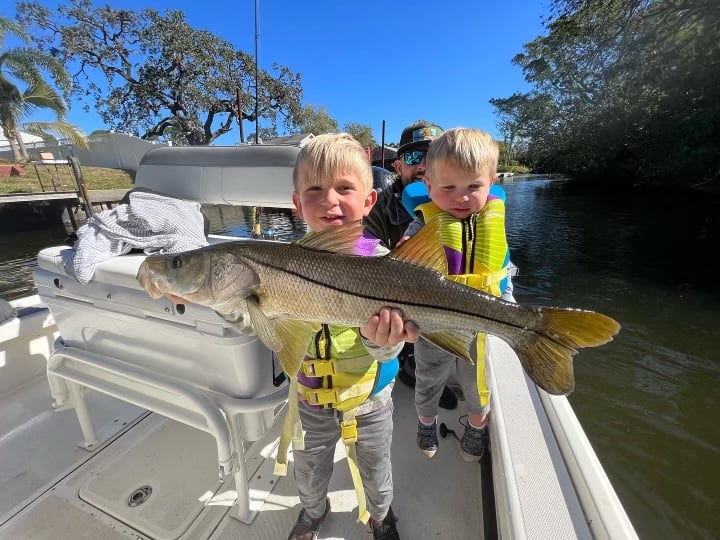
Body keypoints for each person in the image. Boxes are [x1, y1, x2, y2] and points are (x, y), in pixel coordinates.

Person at [284, 133, 418, 540]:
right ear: (296, 203)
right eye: (315, 189)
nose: (329, 200)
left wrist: (384, 339)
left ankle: (380, 515)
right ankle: (313, 510)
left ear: (369, 200)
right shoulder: (279, 264)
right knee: (308, 469)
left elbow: (391, 347)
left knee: (377, 470)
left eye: (344, 188)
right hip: (310, 398)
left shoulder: (384, 265)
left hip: (369, 398)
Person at [402, 127, 515, 462]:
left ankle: (477, 428)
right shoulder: (422, 225)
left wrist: (507, 303)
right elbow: (402, 263)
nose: (461, 197)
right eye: (448, 188)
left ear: (492, 181)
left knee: (477, 386)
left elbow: (503, 272)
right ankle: (426, 421)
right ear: (429, 187)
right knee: (428, 380)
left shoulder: (492, 220)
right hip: (433, 329)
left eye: (473, 187)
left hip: (478, 329)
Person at [363, 120, 458, 410]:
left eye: (432, 158)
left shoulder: (464, 205)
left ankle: (429, 375)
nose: (422, 166)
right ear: (398, 166)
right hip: (392, 300)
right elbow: (362, 257)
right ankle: (407, 365)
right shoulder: (379, 209)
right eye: (414, 158)